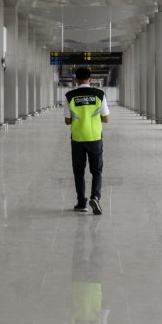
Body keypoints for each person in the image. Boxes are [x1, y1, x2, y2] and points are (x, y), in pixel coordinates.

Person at [64, 67, 110, 215]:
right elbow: (106, 118)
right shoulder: (99, 94)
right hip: (95, 138)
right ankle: (95, 197)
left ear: (76, 79)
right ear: (90, 79)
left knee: (79, 172)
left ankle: (81, 203)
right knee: (96, 171)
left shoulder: (70, 96)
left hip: (77, 138)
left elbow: (67, 121)